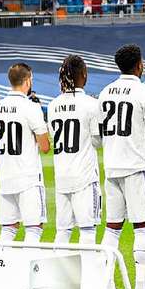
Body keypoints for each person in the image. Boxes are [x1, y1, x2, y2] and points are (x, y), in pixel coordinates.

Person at [98, 44, 145, 289]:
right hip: (136, 165)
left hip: (112, 166)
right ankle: (141, 288)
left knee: (112, 228)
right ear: (139, 65)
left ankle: (108, 286)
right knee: (142, 228)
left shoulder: (104, 93)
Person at [0, 63, 51, 243]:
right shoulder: (31, 107)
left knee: (8, 229)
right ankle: (25, 269)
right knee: (34, 228)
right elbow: (45, 146)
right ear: (27, 80)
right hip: (28, 177)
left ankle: (1, 268)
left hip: (6, 177)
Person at [46, 55, 102, 246]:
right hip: (85, 176)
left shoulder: (53, 105)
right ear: (84, 75)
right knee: (87, 230)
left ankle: (57, 275)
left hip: (62, 175)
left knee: (63, 231)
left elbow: (54, 136)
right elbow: (97, 140)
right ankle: (88, 274)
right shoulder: (91, 104)